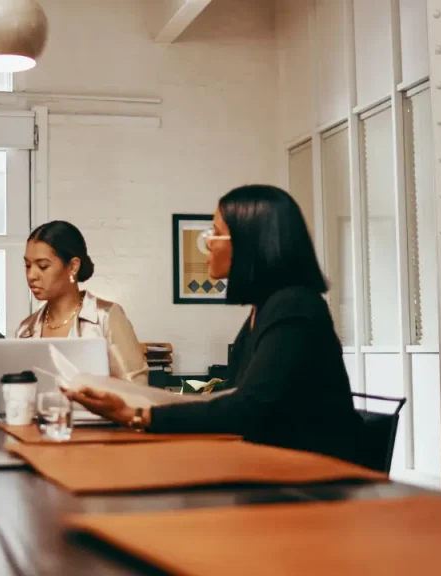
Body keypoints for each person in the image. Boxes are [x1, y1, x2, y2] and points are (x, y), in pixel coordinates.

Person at [65, 185, 364, 463]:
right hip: (272, 465)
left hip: (314, 479)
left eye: (216, 233)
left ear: (249, 243)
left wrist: (141, 414)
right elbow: (231, 396)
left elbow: (248, 408)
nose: (207, 244)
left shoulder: (295, 307)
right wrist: (132, 399)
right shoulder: (266, 308)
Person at [17, 221, 149, 384]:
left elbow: (136, 387)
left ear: (73, 266)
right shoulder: (25, 330)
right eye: (27, 265)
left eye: (43, 266)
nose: (31, 275)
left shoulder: (106, 317)